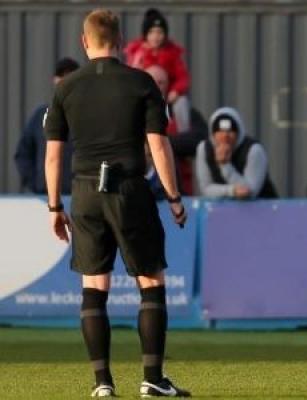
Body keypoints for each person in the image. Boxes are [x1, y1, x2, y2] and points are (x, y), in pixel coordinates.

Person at [43, 9, 190, 397]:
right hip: (129, 191)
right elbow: (158, 145)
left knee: (94, 286)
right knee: (151, 282)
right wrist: (174, 198)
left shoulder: (66, 88)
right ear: (122, 41)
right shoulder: (141, 83)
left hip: (85, 193)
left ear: (84, 41)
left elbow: (53, 155)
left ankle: (102, 383)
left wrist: (55, 207)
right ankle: (153, 379)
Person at [15, 58, 79, 194]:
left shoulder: (89, 115)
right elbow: (22, 154)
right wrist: (37, 184)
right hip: (45, 197)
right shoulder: (40, 115)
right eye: (61, 76)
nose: (65, 81)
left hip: (80, 198)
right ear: (54, 80)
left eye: (71, 76)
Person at [124, 8, 191, 131]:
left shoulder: (172, 53)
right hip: (144, 95)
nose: (156, 36)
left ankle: (183, 133)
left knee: (182, 102)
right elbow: (129, 77)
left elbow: (183, 77)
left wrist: (176, 91)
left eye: (159, 32)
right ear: (146, 35)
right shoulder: (137, 53)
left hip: (167, 97)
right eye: (152, 32)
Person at [144, 65, 207, 195]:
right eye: (151, 80)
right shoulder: (131, 111)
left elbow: (201, 139)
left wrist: (159, 144)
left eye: (161, 82)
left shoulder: (182, 112)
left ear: (168, 86)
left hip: (180, 191)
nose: (156, 86)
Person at [195, 107, 278, 199]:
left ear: (239, 132)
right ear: (212, 134)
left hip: (263, 208)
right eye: (220, 131)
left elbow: (250, 192)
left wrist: (225, 165)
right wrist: (231, 190)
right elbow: (206, 189)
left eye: (230, 131)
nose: (225, 136)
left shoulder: (254, 150)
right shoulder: (203, 148)